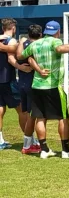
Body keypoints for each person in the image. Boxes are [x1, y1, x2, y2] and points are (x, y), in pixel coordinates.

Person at [17, 21, 69, 159]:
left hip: (37, 86)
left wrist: (22, 43)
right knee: (63, 118)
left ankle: (44, 150)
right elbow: (60, 49)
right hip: (54, 86)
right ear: (57, 31)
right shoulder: (55, 41)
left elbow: (20, 56)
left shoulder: (35, 43)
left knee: (40, 117)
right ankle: (65, 150)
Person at [0, 19, 32, 150]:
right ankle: (28, 140)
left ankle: (0, 140)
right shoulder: (10, 40)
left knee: (1, 108)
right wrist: (21, 67)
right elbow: (10, 58)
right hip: (8, 79)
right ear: (13, 28)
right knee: (22, 110)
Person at [18, 25, 42, 154]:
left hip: (22, 83)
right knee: (35, 115)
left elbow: (17, 56)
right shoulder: (38, 46)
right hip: (33, 83)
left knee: (26, 113)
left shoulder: (22, 44)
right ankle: (29, 144)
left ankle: (30, 141)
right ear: (40, 34)